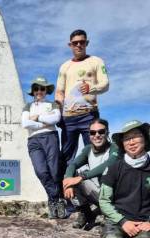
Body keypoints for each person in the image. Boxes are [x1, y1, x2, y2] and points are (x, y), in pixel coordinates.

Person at [55, 29, 110, 169]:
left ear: (87, 43)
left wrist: (91, 88)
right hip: (68, 118)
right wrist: (58, 112)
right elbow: (59, 91)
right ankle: (66, 186)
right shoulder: (64, 66)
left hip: (89, 116)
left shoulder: (96, 61)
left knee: (95, 151)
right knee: (66, 155)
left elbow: (105, 84)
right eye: (75, 43)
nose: (78, 45)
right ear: (70, 45)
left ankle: (98, 185)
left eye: (82, 42)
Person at [63, 118, 119, 230]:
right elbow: (73, 165)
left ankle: (107, 214)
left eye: (101, 132)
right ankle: (85, 214)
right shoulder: (88, 149)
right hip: (98, 194)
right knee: (74, 175)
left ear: (107, 132)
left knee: (79, 177)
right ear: (89, 135)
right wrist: (68, 181)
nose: (97, 135)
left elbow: (109, 164)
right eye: (93, 132)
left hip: (114, 197)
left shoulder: (115, 147)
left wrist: (82, 177)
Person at [22, 76, 65, 219]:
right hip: (33, 140)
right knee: (41, 170)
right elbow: (25, 123)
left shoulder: (52, 105)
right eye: (36, 88)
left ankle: (53, 203)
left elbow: (55, 119)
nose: (39, 91)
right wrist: (44, 122)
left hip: (50, 137)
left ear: (46, 90)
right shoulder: (28, 106)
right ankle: (57, 196)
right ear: (33, 91)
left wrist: (37, 117)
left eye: (42, 88)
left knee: (54, 170)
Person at [100, 120, 150, 238]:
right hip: (117, 221)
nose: (131, 142)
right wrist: (123, 221)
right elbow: (104, 201)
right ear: (122, 144)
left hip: (144, 223)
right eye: (127, 139)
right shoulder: (113, 169)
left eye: (136, 136)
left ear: (145, 138)